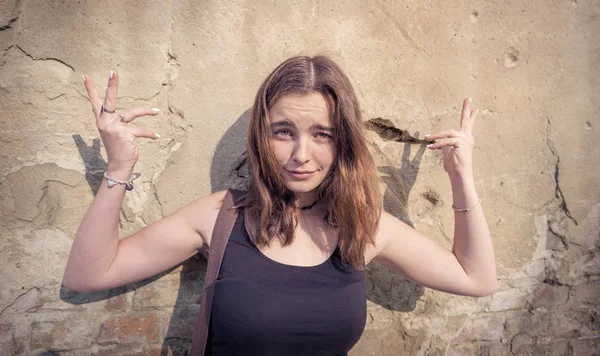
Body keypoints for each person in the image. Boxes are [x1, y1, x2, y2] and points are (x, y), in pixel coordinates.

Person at [63, 56, 497, 355]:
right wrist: (119, 165)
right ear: (260, 136)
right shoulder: (219, 217)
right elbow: (88, 274)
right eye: (283, 131)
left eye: (322, 134)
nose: (301, 154)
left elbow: (475, 278)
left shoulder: (362, 228)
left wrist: (460, 177)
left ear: (342, 141)